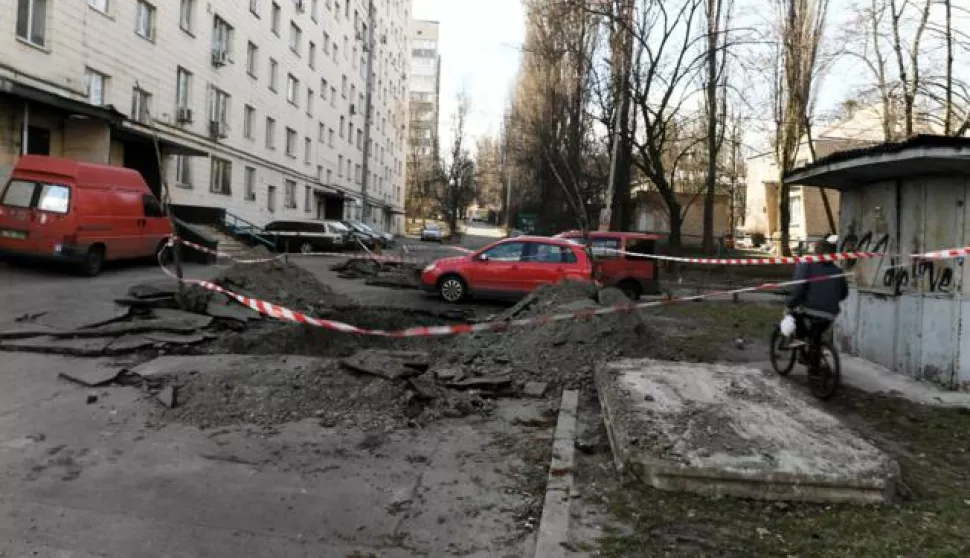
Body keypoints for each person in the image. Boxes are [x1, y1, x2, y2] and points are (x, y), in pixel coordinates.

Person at [786, 235, 849, 368]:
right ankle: (814, 362)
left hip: (811, 310)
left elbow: (798, 288)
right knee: (816, 335)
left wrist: (790, 303)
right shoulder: (838, 271)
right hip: (830, 313)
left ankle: (802, 346)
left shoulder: (807, 265)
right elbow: (844, 294)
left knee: (795, 315)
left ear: (816, 252)